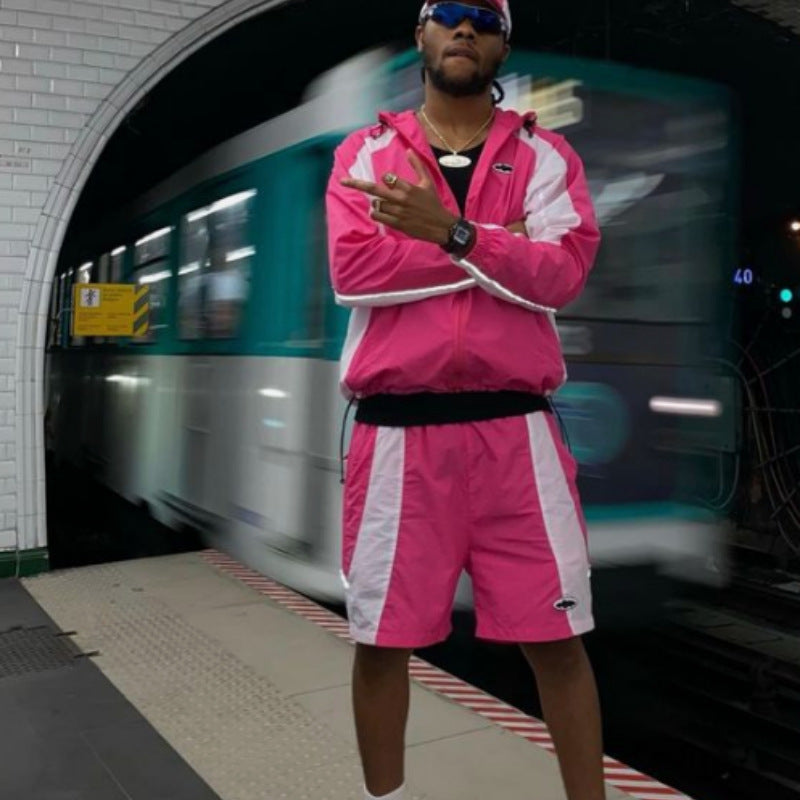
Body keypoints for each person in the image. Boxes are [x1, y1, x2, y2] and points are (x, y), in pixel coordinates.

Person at [325, 3, 604, 799]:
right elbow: (355, 272)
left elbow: (563, 275)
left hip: (518, 437)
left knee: (559, 640)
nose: (464, 29)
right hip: (396, 437)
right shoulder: (365, 152)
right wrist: (500, 244)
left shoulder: (548, 156)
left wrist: (449, 232)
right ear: (420, 33)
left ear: (502, 44)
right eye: (446, 13)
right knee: (381, 643)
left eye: (484, 18)